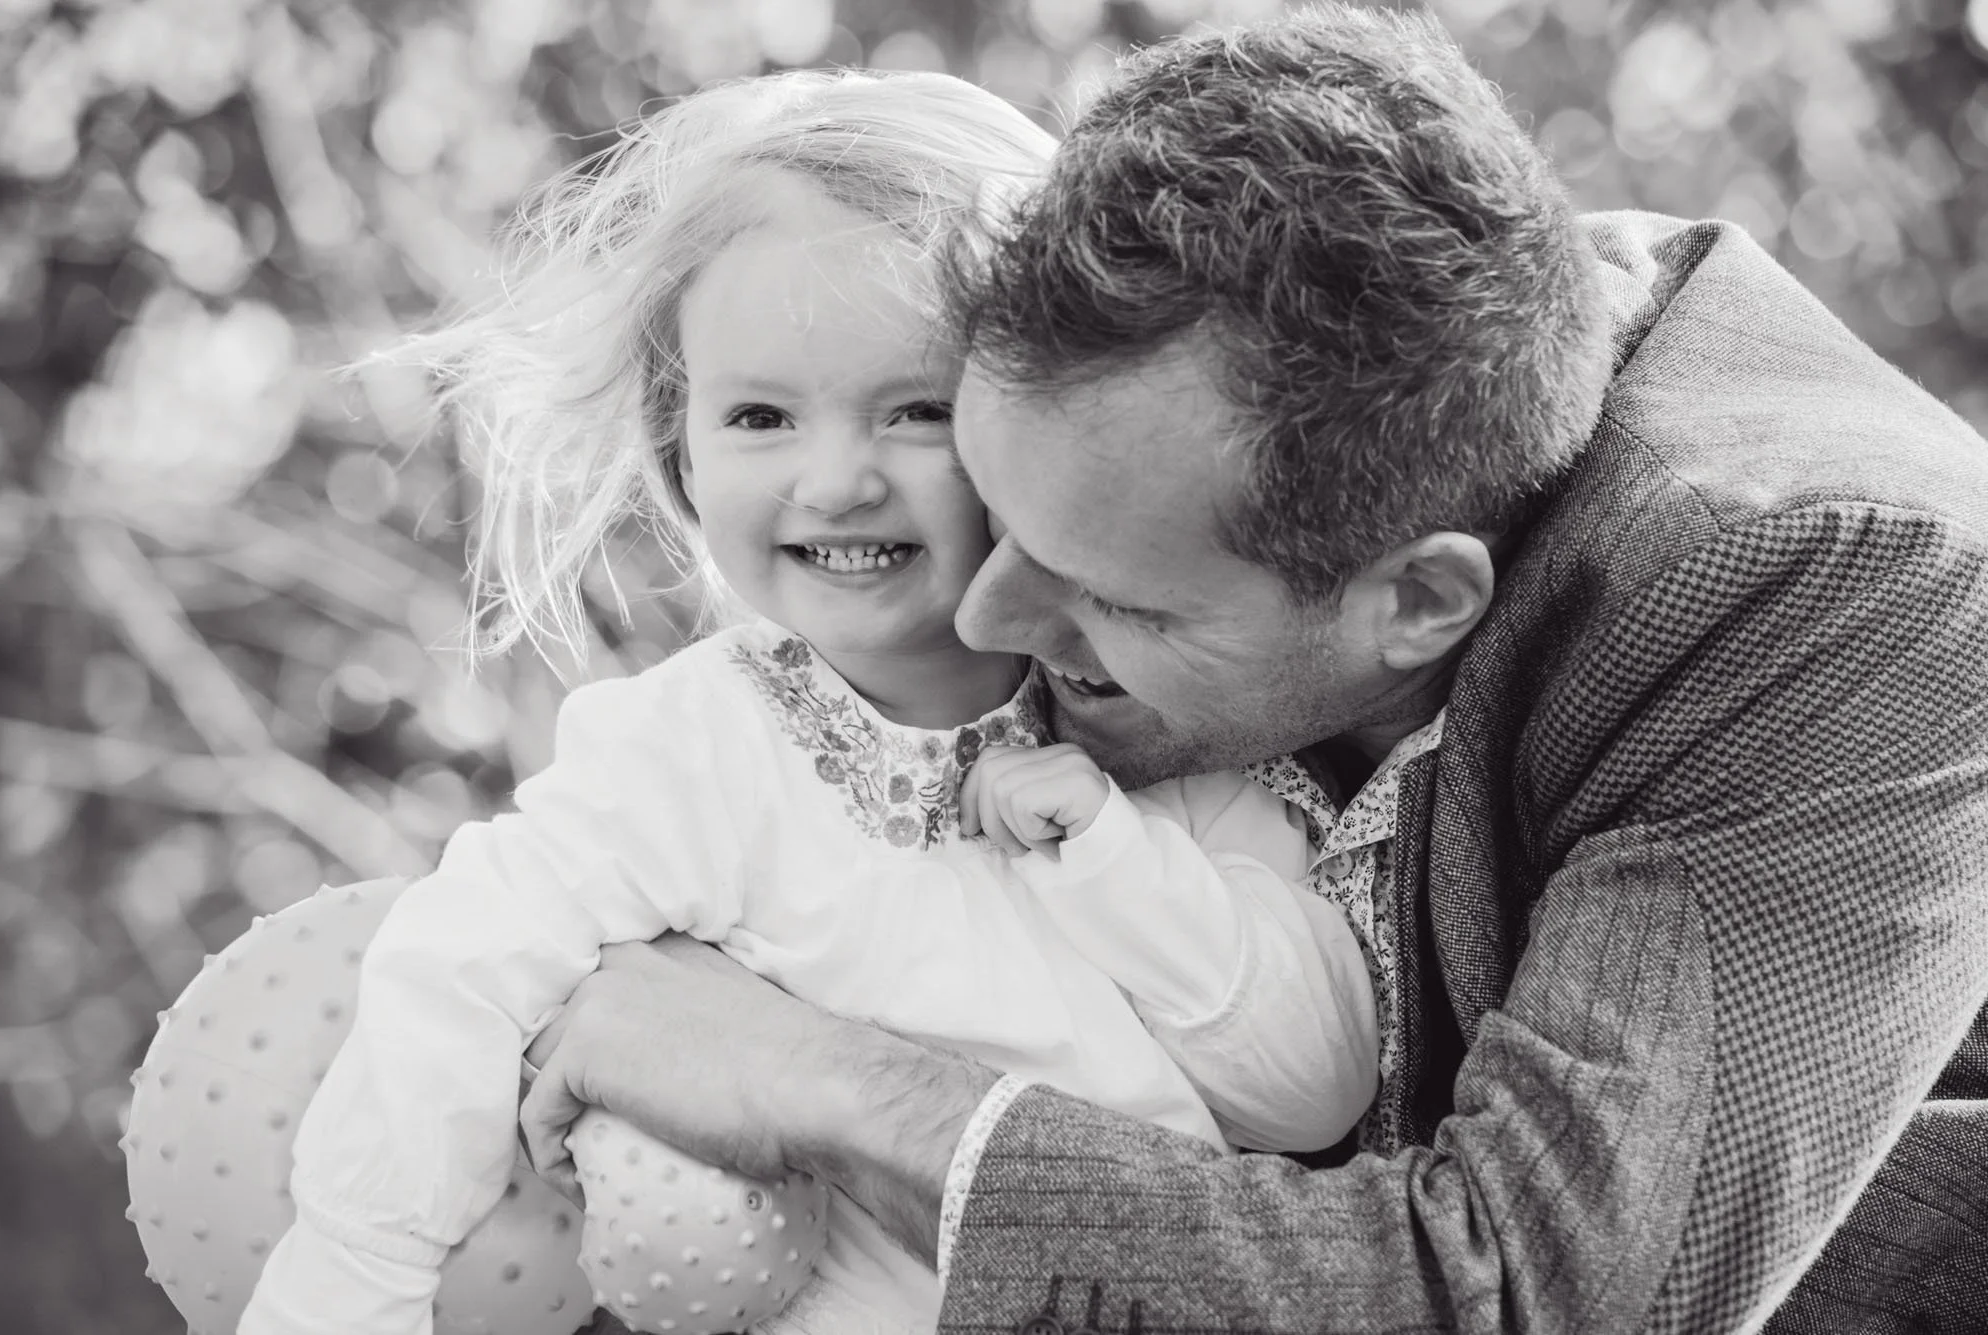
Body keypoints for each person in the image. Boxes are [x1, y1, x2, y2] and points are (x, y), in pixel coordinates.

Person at [517, 7, 1988, 1333]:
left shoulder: (1834, 598)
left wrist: (816, 1079)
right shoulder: (1272, 364)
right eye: (997, 515)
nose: (988, 618)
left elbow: (1522, 1292)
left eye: (1108, 596)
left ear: (1415, 602)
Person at [238, 67, 1383, 1335]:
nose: (834, 483)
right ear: (680, 452)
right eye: (760, 416)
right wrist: (351, 1286)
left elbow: (1317, 1092)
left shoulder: (1161, 721)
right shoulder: (689, 753)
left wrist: (1115, 866)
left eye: (917, 411)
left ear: (1044, 426)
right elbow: (457, 970)